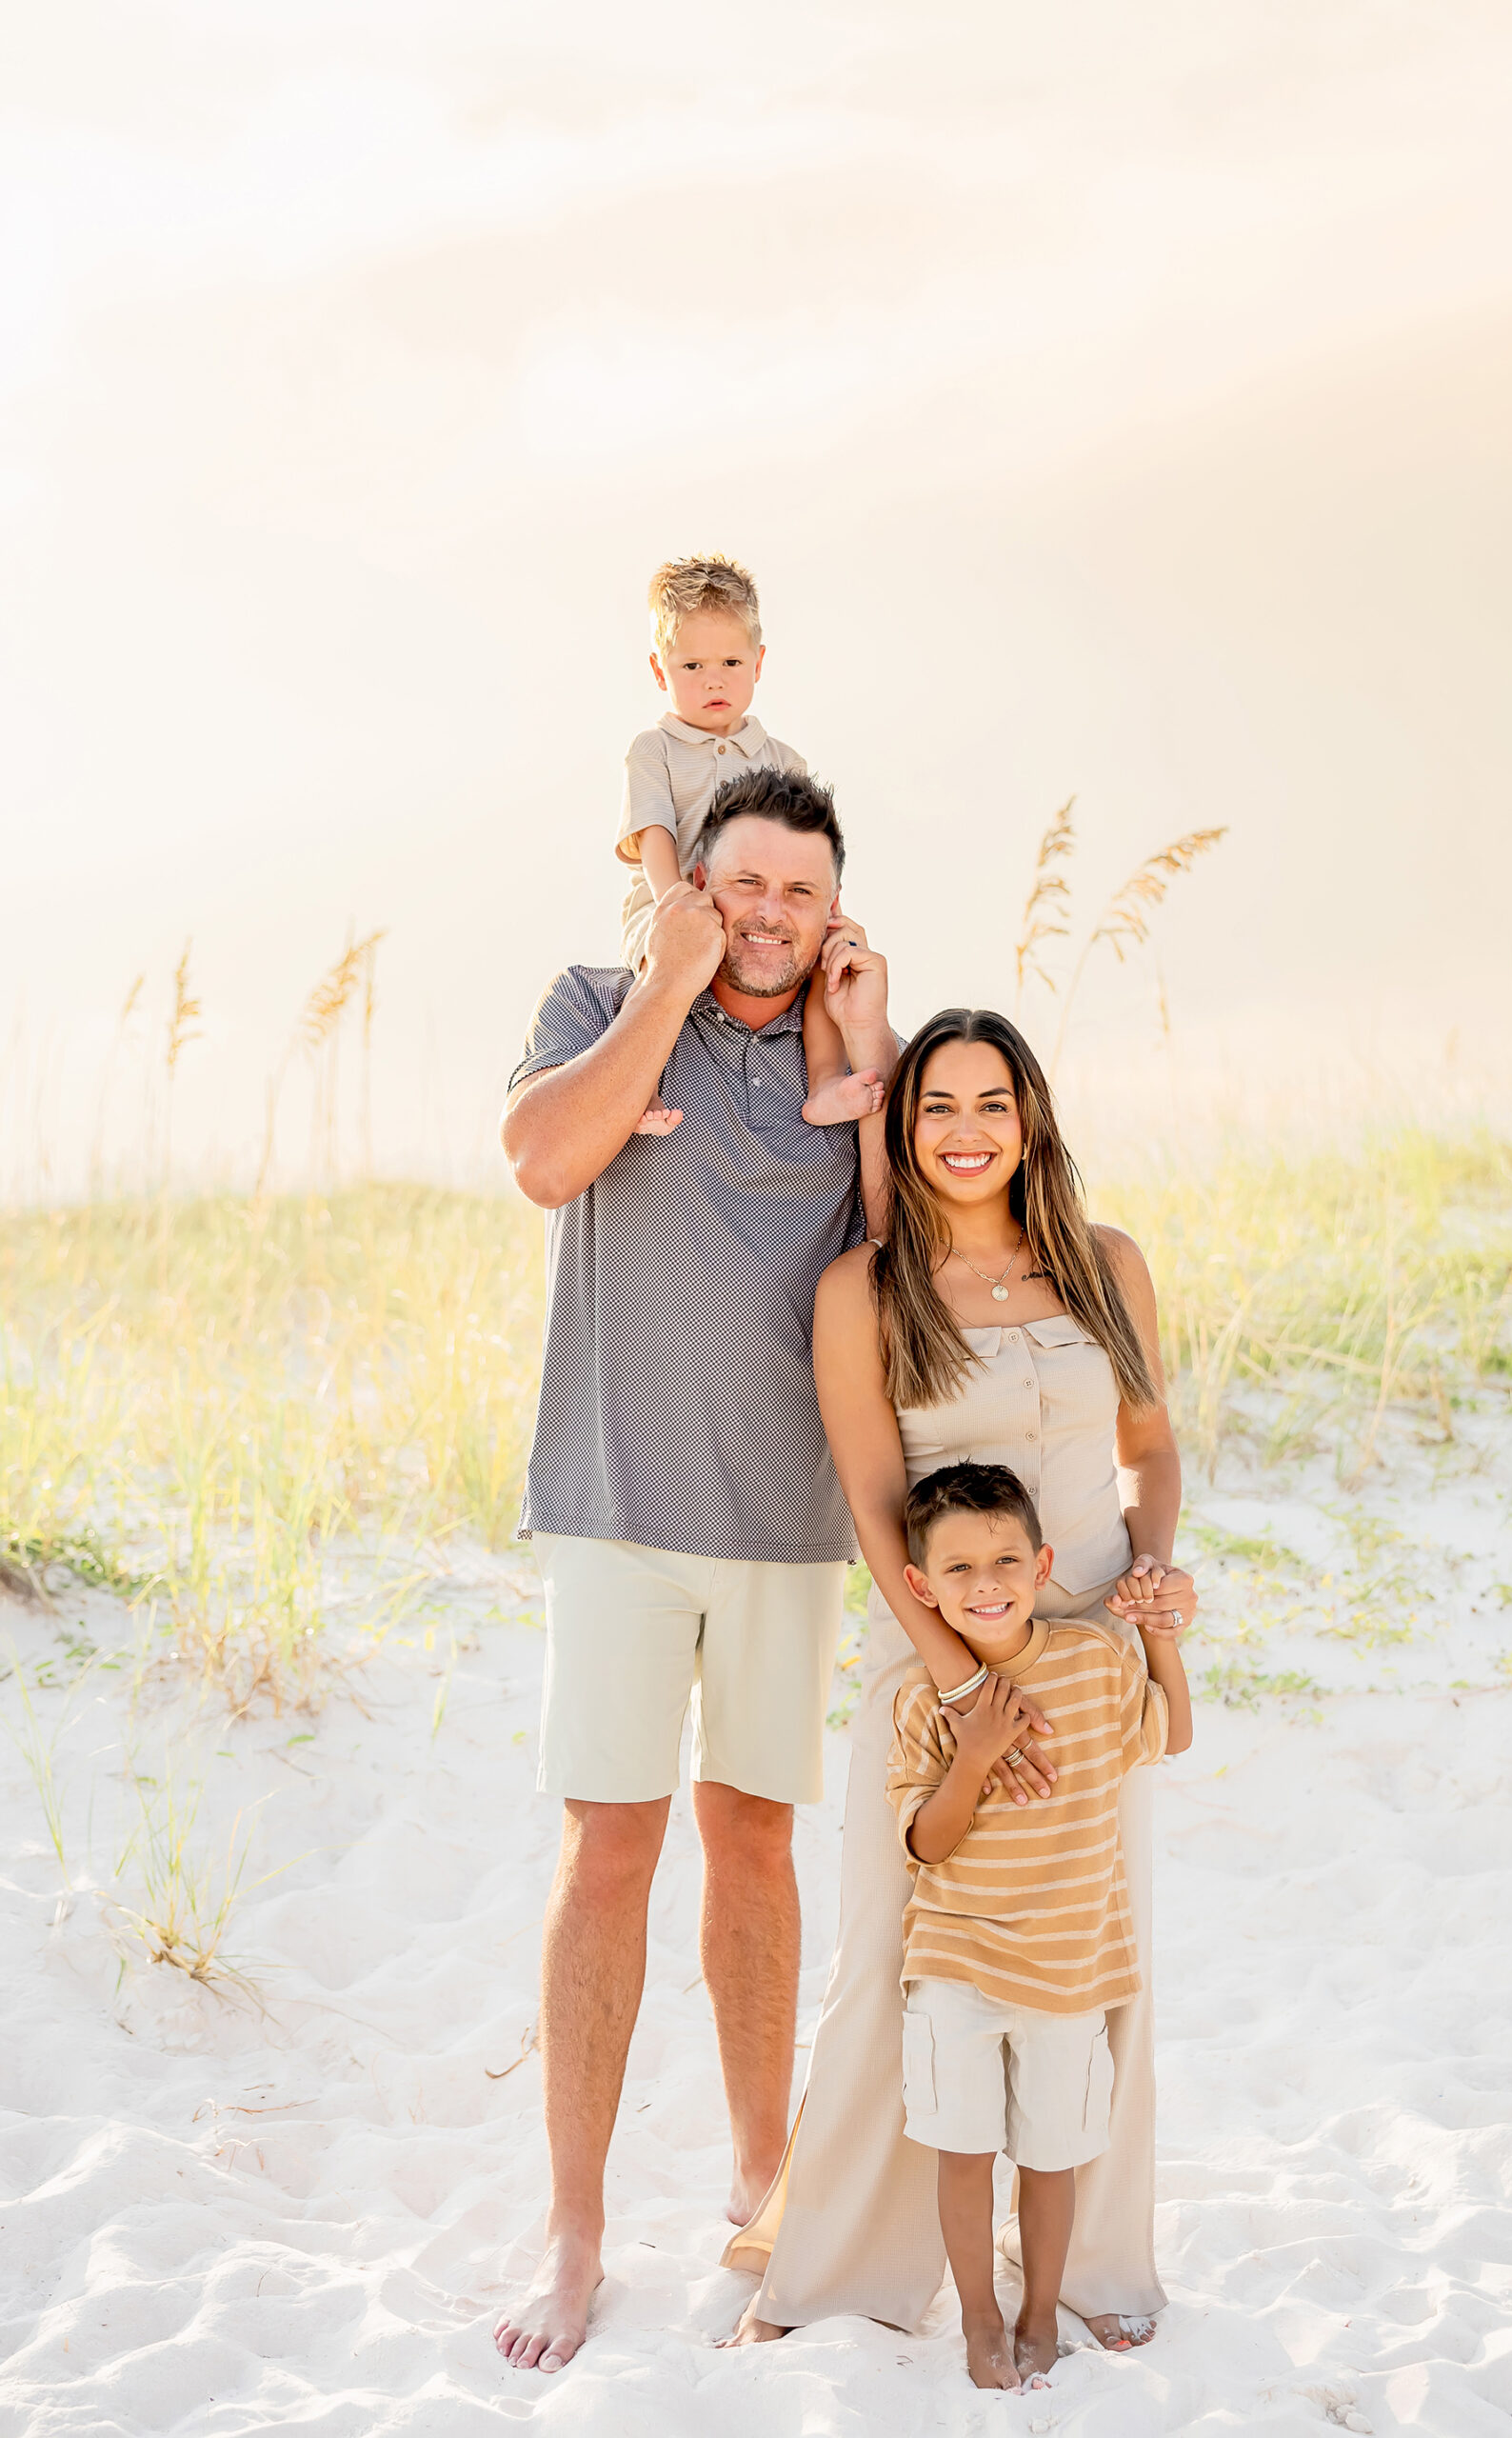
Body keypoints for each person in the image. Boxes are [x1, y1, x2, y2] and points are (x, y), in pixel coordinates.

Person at [491, 765, 901, 2372]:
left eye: (801, 893)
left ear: (832, 910)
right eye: (744, 884)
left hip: (784, 1520)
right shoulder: (600, 995)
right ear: (693, 883)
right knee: (608, 1848)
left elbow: (894, 1265)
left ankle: (755, 2178)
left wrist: (864, 1055)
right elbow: (539, 1159)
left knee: (753, 1845)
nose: (768, 916)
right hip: (613, 1504)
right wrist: (664, 986)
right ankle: (574, 2229)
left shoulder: (843, 1054)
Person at [727, 1007, 1200, 2353]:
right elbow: (874, 1501)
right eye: (937, 1105)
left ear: (1031, 1119)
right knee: (891, 1954)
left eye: (992, 1104)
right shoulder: (861, 1290)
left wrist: (1150, 1581)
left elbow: (1150, 1453)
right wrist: (958, 1682)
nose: (966, 1132)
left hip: (1098, 1657)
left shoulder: (1106, 1263)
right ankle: (841, 2275)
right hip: (941, 1658)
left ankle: (1093, 2267)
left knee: (1100, 1955)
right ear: (902, 1123)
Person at [888, 1460, 1193, 2389]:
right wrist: (974, 1753)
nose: (985, 1586)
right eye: (958, 1569)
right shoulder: (924, 1700)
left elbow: (1168, 1734)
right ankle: (978, 2315)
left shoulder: (1094, 1666)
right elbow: (925, 1843)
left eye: (1005, 1560)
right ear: (919, 1585)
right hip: (956, 1962)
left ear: (1041, 1563)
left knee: (1051, 2157)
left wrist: (1158, 1640)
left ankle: (1035, 2306)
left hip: (1069, 1966)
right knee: (964, 2152)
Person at [616, 554, 880, 1130]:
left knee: (819, 959)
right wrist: (676, 903)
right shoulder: (653, 750)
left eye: (731, 662)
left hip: (765, 907)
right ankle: (640, 1088)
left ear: (759, 663)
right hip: (675, 900)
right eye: (692, 665)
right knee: (660, 975)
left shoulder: (782, 759)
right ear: (660, 671)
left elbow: (810, 845)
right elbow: (653, 831)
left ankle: (825, 1080)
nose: (714, 679)